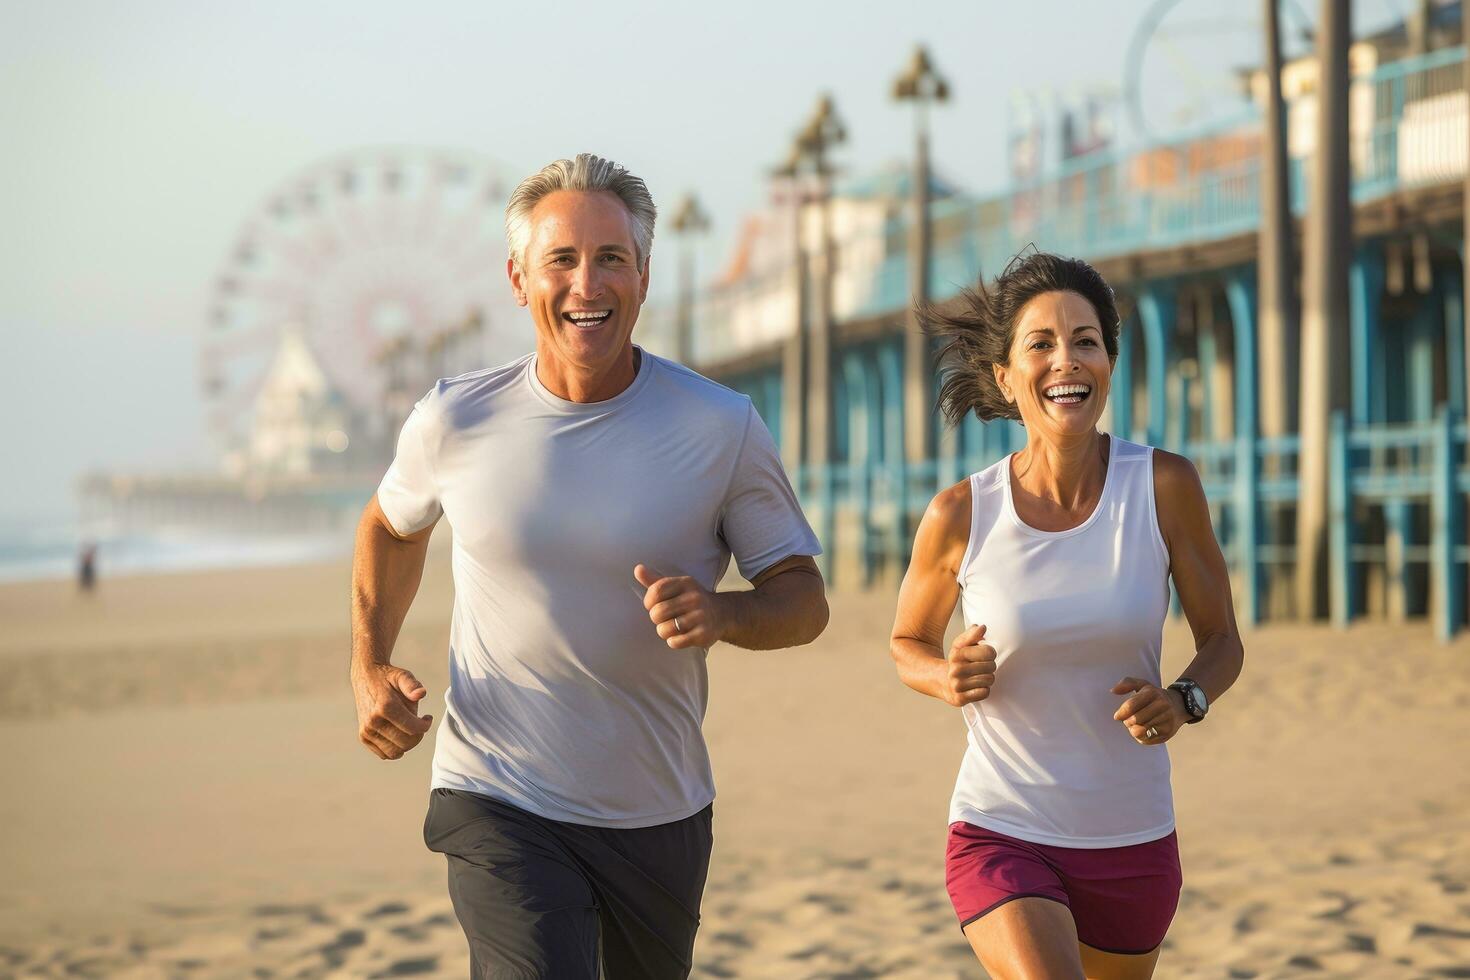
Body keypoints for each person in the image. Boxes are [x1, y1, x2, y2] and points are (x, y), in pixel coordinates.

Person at [349, 153, 828, 979]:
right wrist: (368, 663)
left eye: (610, 258)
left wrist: (724, 614)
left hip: (658, 810)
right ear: (518, 278)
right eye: (561, 261)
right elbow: (392, 528)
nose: (586, 284)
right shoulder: (455, 419)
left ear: (644, 273)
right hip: (495, 792)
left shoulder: (720, 425)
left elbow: (804, 599)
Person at [888, 252, 1244, 979]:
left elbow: (1223, 642)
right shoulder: (961, 513)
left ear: (1109, 360)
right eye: (1041, 344)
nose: (1066, 361)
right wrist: (943, 675)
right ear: (1006, 376)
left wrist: (1184, 700)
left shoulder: (1164, 485)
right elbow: (906, 642)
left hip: (1134, 837)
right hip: (1002, 828)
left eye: (1085, 340)